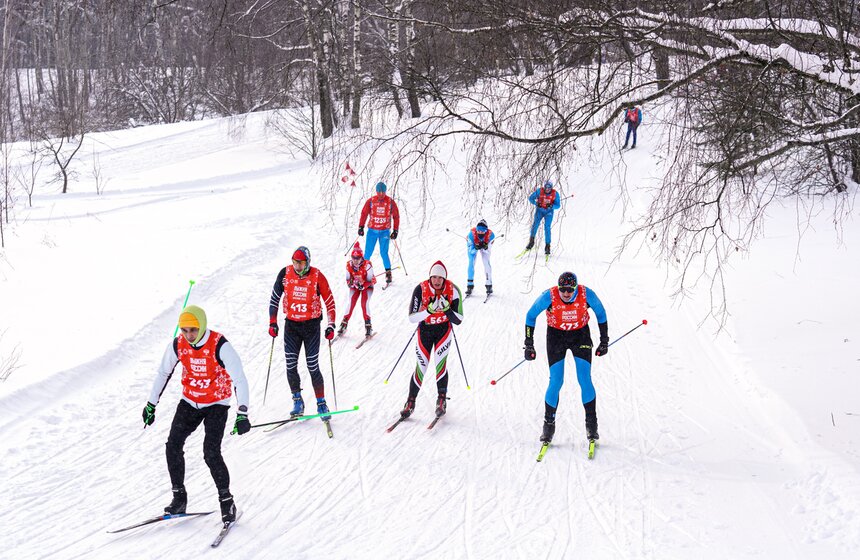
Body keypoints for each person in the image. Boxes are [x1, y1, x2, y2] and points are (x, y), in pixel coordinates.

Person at [142, 305, 250, 523]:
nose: (189, 335)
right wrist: (151, 404)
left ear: (202, 325)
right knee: (172, 445)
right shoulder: (178, 344)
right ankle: (179, 499)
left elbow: (239, 378)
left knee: (210, 452)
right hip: (190, 401)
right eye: (184, 330)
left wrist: (242, 413)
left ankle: (227, 501)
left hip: (216, 403)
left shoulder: (220, 345)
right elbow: (163, 373)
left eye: (193, 329)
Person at [523, 272, 608, 444]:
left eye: (570, 289)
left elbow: (601, 313)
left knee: (584, 379)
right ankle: (548, 425)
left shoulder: (586, 294)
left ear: (576, 288)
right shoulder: (549, 296)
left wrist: (604, 341)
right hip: (556, 337)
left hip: (580, 336)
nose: (566, 293)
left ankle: (592, 425)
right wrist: (529, 343)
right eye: (563, 289)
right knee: (556, 381)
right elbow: (530, 316)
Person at [268, 246, 337, 421]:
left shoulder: (317, 276)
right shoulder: (285, 274)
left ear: (308, 262)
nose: (297, 266)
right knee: (290, 365)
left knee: (312, 366)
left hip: (311, 327)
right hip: (292, 326)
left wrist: (331, 325)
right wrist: (272, 322)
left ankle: (321, 403)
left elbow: (329, 302)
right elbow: (274, 298)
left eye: (301, 263)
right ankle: (297, 401)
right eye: (295, 262)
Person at [400, 261, 464, 419]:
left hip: (443, 331)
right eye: (434, 277)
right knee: (421, 366)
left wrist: (447, 310)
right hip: (425, 331)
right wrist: (428, 311)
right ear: (429, 277)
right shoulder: (420, 289)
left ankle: (441, 400)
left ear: (445, 278)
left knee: (440, 364)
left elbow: (459, 319)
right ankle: (410, 402)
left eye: (440, 277)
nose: (437, 280)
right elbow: (412, 318)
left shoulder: (453, 290)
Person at [358, 181, 400, 286]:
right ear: (376, 191)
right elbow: (364, 213)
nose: (381, 194)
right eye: (379, 192)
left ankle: (388, 273)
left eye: (383, 192)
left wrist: (395, 230)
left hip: (384, 232)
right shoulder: (371, 201)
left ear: (385, 191)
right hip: (372, 231)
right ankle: (363, 272)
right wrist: (361, 226)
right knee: (368, 253)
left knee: (384, 253)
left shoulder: (390, 202)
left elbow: (396, 216)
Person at [337, 241, 376, 337]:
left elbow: (371, 280)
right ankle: (344, 324)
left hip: (367, 286)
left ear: (361, 257)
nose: (355, 260)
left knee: (364, 303)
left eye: (357, 258)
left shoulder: (367, 265)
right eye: (353, 258)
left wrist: (363, 285)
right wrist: (351, 283)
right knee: (351, 302)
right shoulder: (349, 265)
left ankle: (368, 325)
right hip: (356, 286)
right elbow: (347, 280)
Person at [525, 180, 561, 255]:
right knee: (535, 225)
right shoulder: (540, 191)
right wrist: (536, 203)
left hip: (549, 212)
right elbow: (531, 198)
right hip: (540, 211)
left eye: (549, 188)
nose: (547, 189)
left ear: (551, 188)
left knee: (547, 227)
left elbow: (558, 205)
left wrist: (551, 206)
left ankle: (547, 246)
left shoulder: (555, 193)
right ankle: (531, 241)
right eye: (546, 187)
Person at [465, 219, 495, 297]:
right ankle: (469, 285)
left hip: (484, 246)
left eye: (482, 231)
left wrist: (485, 247)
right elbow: (471, 251)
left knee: (486, 263)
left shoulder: (491, 235)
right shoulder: (471, 235)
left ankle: (489, 284)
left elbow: (488, 251)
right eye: (478, 231)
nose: (480, 233)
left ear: (486, 231)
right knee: (471, 262)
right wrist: (475, 248)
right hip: (473, 246)